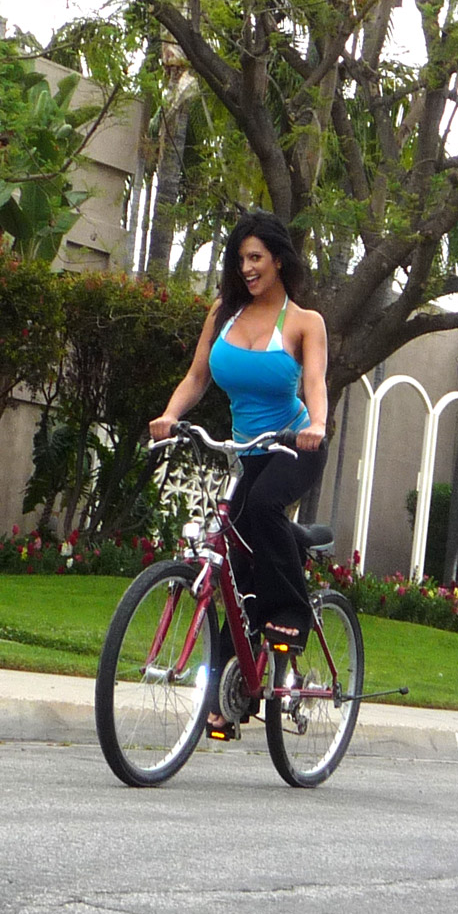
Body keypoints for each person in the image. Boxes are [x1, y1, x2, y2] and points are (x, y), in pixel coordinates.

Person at [148, 209, 329, 726]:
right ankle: (234, 692)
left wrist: (316, 422)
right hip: (243, 451)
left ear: (278, 260)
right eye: (240, 259)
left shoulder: (303, 322)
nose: (247, 268)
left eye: (256, 258)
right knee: (236, 563)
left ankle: (294, 612)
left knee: (266, 506)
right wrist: (170, 414)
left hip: (295, 444)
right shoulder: (222, 313)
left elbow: (315, 382)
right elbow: (197, 376)